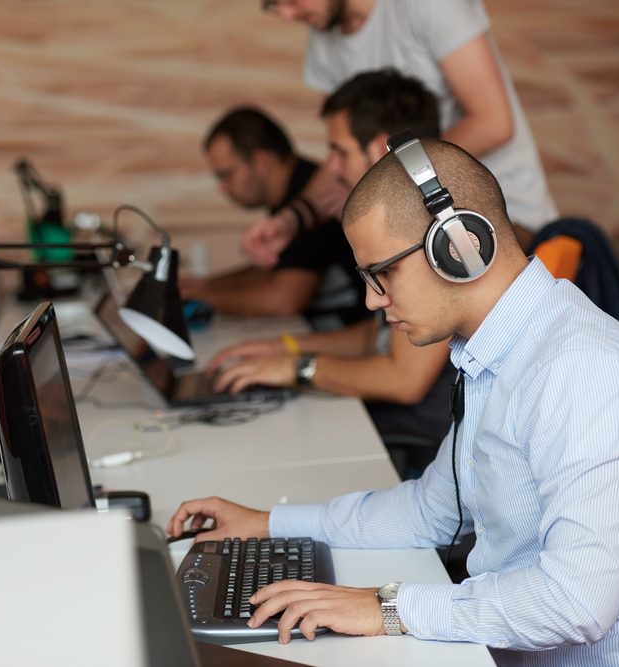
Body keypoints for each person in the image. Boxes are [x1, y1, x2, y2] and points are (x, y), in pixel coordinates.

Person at [168, 139, 619, 665]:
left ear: (459, 246)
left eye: (382, 273)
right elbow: (431, 510)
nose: (370, 299)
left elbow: (575, 603)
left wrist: (386, 607)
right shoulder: (492, 352)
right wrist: (271, 523)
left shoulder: (580, 370)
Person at [209, 70, 456, 476]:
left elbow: (402, 379)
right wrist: (285, 347)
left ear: (380, 148)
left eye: (339, 152)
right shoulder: (401, 217)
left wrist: (298, 368)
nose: (332, 168)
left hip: (432, 442)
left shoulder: (433, 233)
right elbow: (377, 335)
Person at [244, 0, 558, 264]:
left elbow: (493, 123)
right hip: (423, 229)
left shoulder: (427, 5)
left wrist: (387, 175)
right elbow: (347, 151)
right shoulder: (323, 40)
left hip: (508, 223)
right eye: (274, 5)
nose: (286, 14)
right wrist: (293, 218)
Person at [185, 107, 369, 331]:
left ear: (261, 161)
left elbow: (285, 299)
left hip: (356, 335)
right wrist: (205, 285)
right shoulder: (294, 193)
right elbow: (276, 267)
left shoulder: (308, 193)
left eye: (226, 175)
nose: (222, 188)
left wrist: (198, 298)